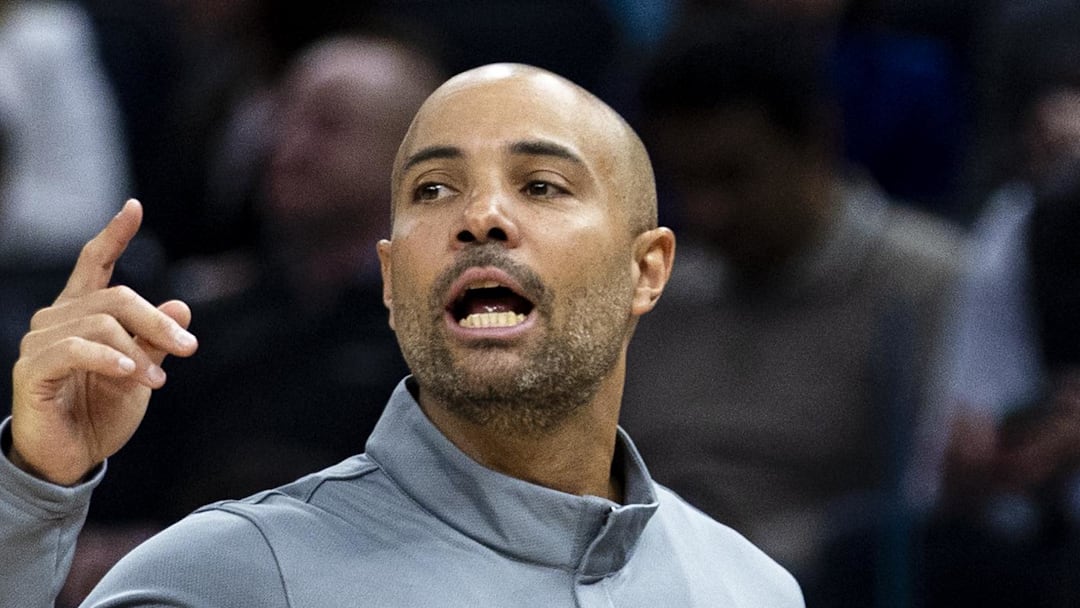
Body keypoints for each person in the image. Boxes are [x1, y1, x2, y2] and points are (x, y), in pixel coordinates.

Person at [0, 63, 804, 606]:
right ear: (391, 282)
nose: (480, 215)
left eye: (542, 184)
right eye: (434, 187)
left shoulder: (750, 588)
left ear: (648, 270)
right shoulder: (229, 576)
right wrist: (29, 496)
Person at [619, 12, 965, 601]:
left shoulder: (934, 286)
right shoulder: (651, 288)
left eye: (733, 178)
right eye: (685, 181)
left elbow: (934, 511)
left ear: (816, 140)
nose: (705, 212)